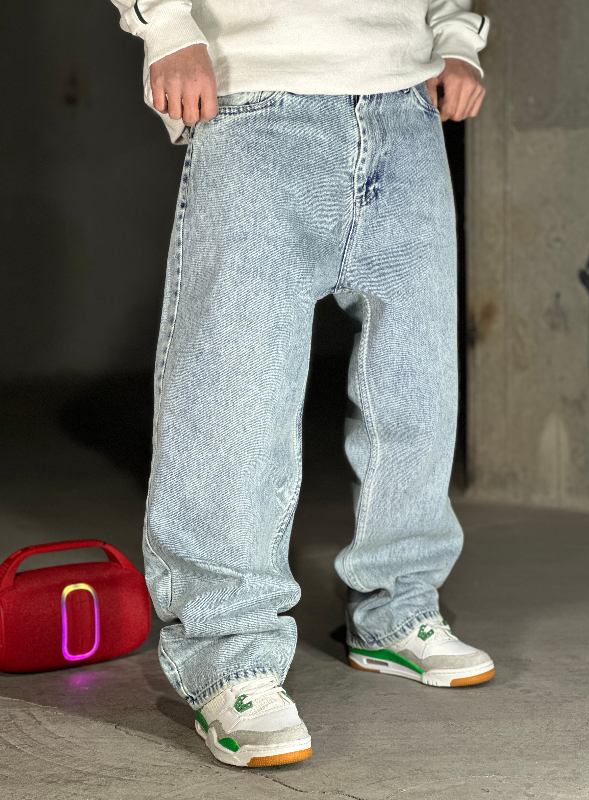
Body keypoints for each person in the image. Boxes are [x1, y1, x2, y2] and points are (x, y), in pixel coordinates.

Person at [111, 0, 493, 769]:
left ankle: (398, 611)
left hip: (407, 105)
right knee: (236, 396)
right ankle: (229, 657)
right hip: (256, 96)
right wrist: (167, 26)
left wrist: (455, 36)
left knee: (416, 390)